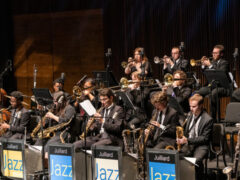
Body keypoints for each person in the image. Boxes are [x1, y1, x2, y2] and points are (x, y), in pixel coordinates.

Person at [176, 94, 213, 180]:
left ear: (200, 105)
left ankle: (199, 177)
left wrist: (187, 140)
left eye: (194, 106)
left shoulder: (208, 119)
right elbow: (187, 131)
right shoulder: (190, 115)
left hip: (201, 145)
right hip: (189, 143)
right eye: (190, 106)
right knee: (177, 156)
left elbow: (205, 138)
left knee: (196, 161)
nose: (191, 109)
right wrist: (181, 137)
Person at [196, 44, 232, 120]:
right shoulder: (212, 62)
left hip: (224, 87)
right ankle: (200, 114)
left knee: (214, 93)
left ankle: (212, 118)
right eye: (213, 53)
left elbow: (220, 73)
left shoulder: (224, 63)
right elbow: (205, 72)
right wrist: (203, 65)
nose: (213, 55)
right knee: (198, 92)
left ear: (221, 54)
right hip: (212, 86)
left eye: (216, 53)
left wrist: (210, 65)